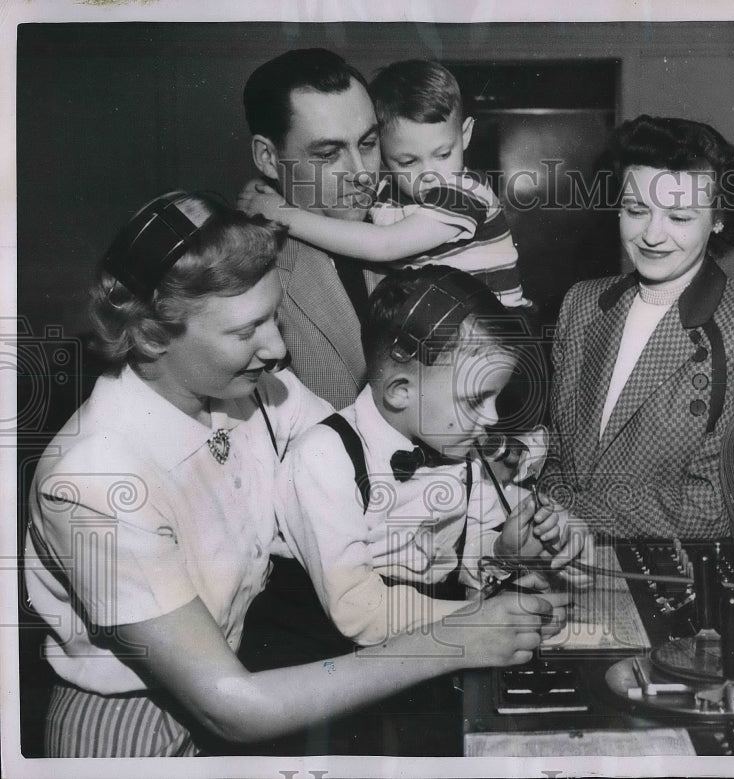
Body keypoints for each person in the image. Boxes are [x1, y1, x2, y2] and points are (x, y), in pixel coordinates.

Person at [21, 191, 567, 757]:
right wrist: (456, 637)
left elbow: (365, 460)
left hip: (256, 679)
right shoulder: (93, 479)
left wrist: (496, 532)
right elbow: (234, 707)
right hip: (137, 724)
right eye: (245, 331)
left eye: (274, 316)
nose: (277, 348)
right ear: (154, 334)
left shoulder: (253, 389)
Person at [277, 266, 591, 647]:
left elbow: (455, 552)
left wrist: (509, 547)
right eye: (475, 400)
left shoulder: (458, 447)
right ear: (400, 392)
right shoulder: (324, 457)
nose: (492, 417)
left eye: (496, 397)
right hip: (335, 659)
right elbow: (358, 610)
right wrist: (484, 616)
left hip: (426, 641)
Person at [541, 116, 734, 540]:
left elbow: (719, 504)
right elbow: (555, 455)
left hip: (665, 573)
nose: (652, 235)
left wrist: (575, 516)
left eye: (679, 217)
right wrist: (548, 517)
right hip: (555, 555)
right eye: (637, 210)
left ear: (719, 218)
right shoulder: (580, 303)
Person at [241, 59, 531, 310]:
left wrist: (281, 213)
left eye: (443, 154)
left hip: (497, 333)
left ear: (465, 135)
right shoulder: (385, 194)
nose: (430, 174)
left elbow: (385, 244)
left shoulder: (466, 192)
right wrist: (269, 192)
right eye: (407, 161)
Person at [243, 48, 377, 409]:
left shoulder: (408, 228)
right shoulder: (245, 277)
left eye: (368, 144)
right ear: (268, 158)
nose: (362, 172)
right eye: (328, 154)